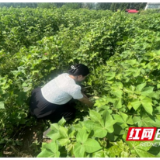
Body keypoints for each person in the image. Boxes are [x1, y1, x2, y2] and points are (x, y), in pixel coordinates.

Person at [29, 64, 94, 124]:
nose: (84, 78)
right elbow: (83, 100)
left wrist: (81, 94)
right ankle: (49, 132)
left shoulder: (64, 75)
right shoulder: (73, 87)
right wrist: (92, 105)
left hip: (36, 98)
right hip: (42, 109)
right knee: (70, 114)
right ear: (79, 76)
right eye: (84, 77)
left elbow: (74, 90)